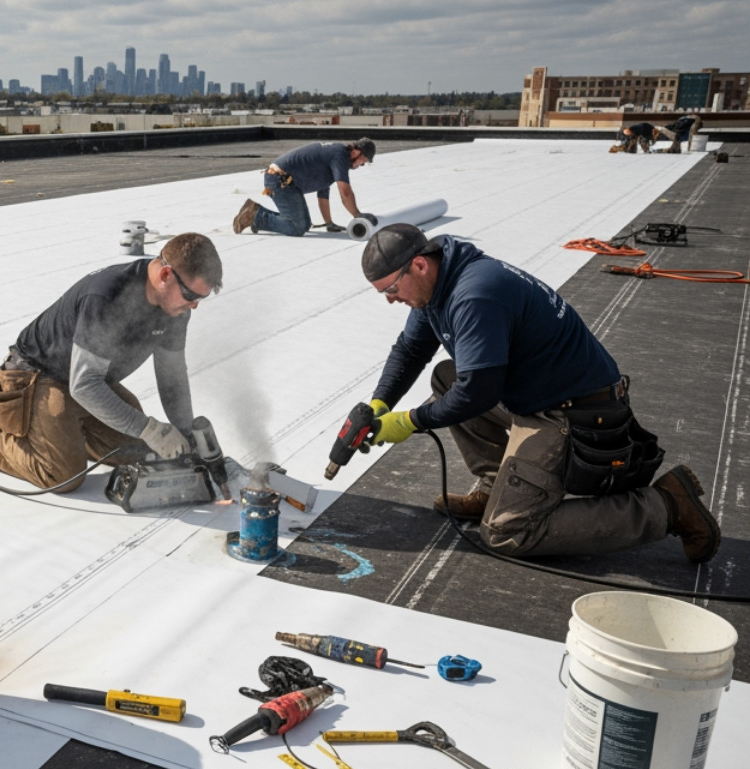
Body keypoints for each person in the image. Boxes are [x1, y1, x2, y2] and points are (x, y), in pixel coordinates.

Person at [354, 223, 719, 563]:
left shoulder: (475, 293)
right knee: (448, 378)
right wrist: (379, 404)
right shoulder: (439, 283)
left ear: (418, 265)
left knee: (507, 532)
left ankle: (666, 505)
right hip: (538, 395)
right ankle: (497, 483)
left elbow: (477, 393)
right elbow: (410, 350)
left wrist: (410, 421)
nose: (390, 300)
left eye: (390, 289)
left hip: (574, 413)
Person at [0, 232, 221, 491]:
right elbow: (84, 386)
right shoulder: (108, 296)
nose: (194, 305)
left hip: (90, 380)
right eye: (191, 295)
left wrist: (186, 433)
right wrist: (148, 428)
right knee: (63, 475)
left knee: (143, 453)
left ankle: (62, 432)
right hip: (37, 374)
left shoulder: (177, 310)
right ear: (165, 274)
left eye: (201, 299)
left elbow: (171, 377)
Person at [234, 139, 374, 236]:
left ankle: (256, 212)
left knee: (304, 225)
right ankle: (255, 216)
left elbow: (323, 193)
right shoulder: (340, 157)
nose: (360, 166)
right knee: (297, 227)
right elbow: (346, 193)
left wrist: (329, 223)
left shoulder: (335, 156)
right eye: (363, 162)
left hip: (287, 183)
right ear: (356, 151)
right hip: (280, 180)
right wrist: (358, 216)